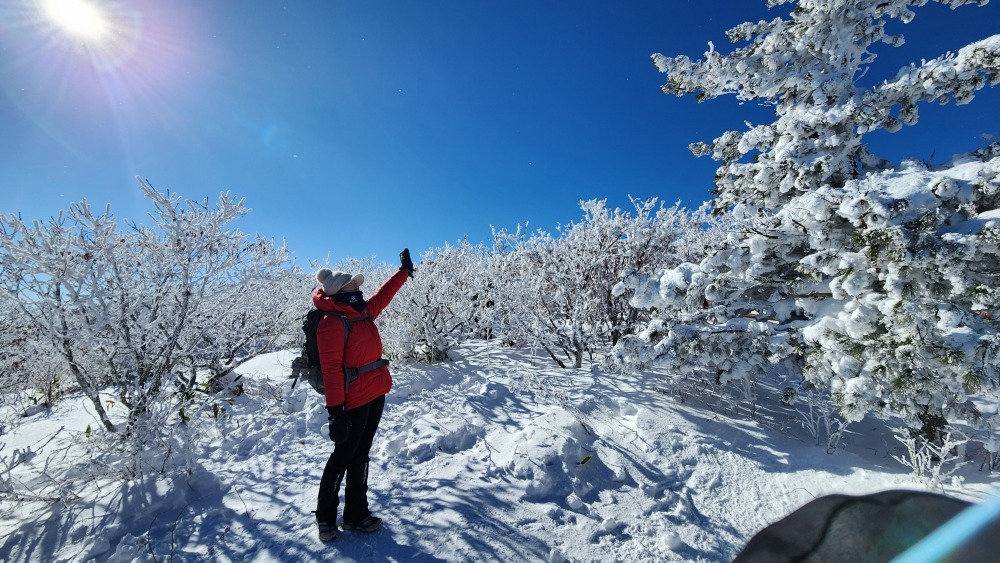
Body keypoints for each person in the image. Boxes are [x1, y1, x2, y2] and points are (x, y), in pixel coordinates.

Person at [312, 248, 414, 542]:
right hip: (351, 400)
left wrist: (404, 272)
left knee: (361, 455)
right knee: (342, 456)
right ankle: (325, 517)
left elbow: (385, 295)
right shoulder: (331, 322)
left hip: (375, 393)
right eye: (353, 284)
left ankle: (356, 513)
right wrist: (335, 412)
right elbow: (331, 369)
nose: (359, 286)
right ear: (339, 290)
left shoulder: (362, 311)